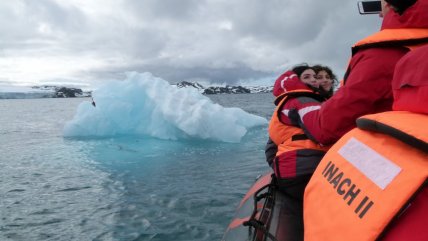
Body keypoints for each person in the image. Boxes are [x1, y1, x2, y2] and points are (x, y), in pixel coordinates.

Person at [303, 43, 428, 241]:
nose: (321, 81)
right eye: (315, 78)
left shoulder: (362, 128)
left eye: (325, 77)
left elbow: (324, 127)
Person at [297, 0, 428, 146]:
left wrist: (301, 108)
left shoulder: (384, 54)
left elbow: (328, 126)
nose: (379, 14)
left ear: (391, 4)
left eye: (381, 3)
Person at [268, 64, 329, 201]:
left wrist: (281, 167)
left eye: (315, 76)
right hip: (308, 170)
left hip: (291, 172)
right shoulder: (304, 101)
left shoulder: (286, 104)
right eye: (307, 77)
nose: (314, 80)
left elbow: (270, 149)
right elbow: (322, 133)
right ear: (297, 81)